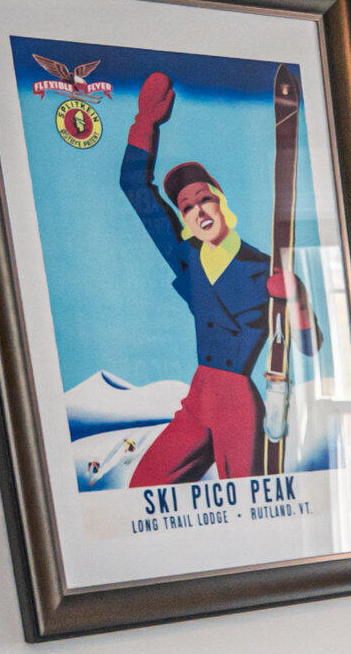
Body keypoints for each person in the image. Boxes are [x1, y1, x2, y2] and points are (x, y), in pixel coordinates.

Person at [119, 70, 315, 484]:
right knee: (143, 485)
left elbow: (310, 346)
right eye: (187, 206)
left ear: (221, 203)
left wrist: (295, 300)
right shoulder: (186, 258)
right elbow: (135, 187)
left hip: (236, 405)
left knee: (246, 497)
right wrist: (144, 125)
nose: (197, 209)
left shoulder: (264, 268)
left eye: (205, 198)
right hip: (197, 401)